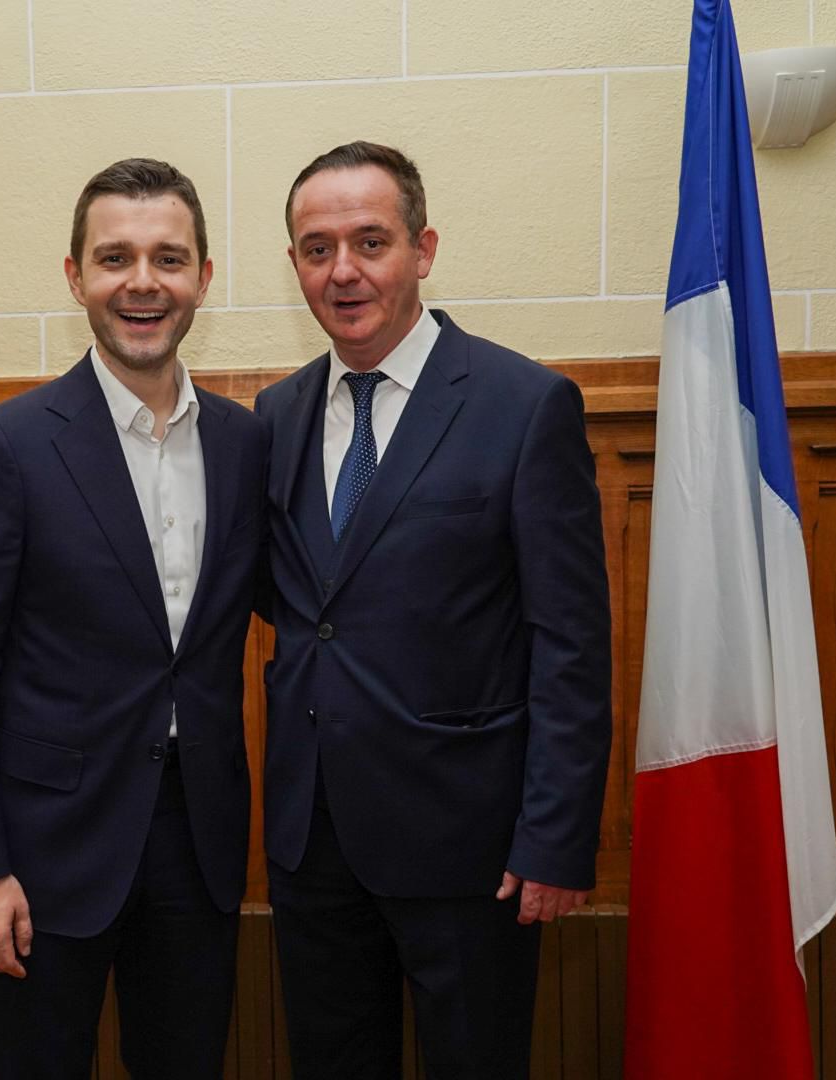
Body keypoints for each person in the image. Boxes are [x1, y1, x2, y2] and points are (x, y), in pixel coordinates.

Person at [255, 141, 612, 1078]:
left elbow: (570, 643)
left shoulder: (524, 404)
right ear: (294, 264)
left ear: (423, 249)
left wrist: (554, 836)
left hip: (470, 846)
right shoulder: (275, 416)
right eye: (317, 249)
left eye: (370, 242)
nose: (343, 270)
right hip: (311, 839)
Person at [0, 158, 266, 1080]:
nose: (142, 282)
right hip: (43, 854)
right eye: (115, 258)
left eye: (168, 259)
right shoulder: (9, 445)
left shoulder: (245, 444)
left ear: (203, 278)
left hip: (198, 842)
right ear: (75, 277)